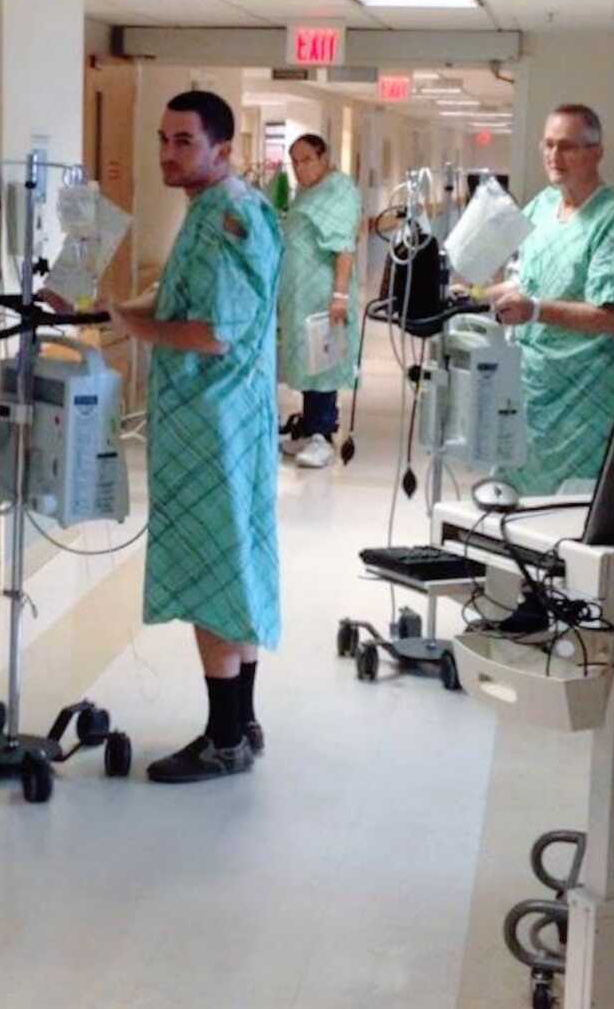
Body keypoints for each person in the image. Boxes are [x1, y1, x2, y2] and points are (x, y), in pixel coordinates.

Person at [111, 91, 282, 784]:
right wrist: (123, 309)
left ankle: (223, 739)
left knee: (214, 575)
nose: (168, 154)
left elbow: (213, 332)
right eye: (163, 139)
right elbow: (189, 301)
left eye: (184, 141)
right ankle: (240, 720)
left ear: (222, 148)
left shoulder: (228, 219)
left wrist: (138, 330)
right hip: (220, 424)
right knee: (234, 567)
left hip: (214, 430)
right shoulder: (214, 211)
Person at [486, 103, 614, 496]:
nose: (554, 157)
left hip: (586, 396)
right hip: (531, 386)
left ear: (596, 152)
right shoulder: (542, 206)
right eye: (548, 145)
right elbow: (524, 282)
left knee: (569, 512)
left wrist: (536, 310)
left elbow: (612, 317)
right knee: (514, 499)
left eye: (568, 147)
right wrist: (470, 294)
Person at [277, 134, 362, 468]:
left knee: (324, 364)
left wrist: (339, 295)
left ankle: (322, 436)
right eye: (294, 162)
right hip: (300, 296)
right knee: (306, 363)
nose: (300, 168)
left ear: (324, 157)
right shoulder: (306, 193)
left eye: (306, 160)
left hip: (325, 294)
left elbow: (344, 246)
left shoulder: (339, 190)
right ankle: (309, 428)